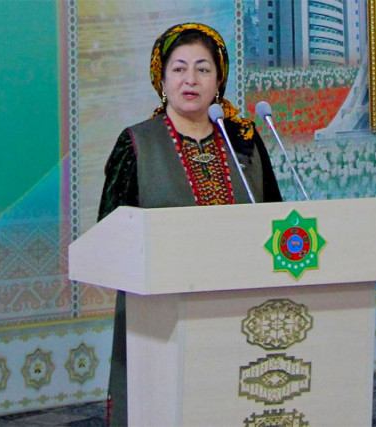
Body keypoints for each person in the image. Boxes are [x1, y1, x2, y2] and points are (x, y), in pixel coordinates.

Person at [97, 22, 282, 426]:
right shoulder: (137, 143)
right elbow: (109, 234)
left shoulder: (244, 140)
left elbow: (275, 217)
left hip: (239, 305)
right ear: (162, 79)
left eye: (203, 69)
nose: (191, 80)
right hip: (160, 313)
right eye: (179, 69)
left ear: (219, 80)